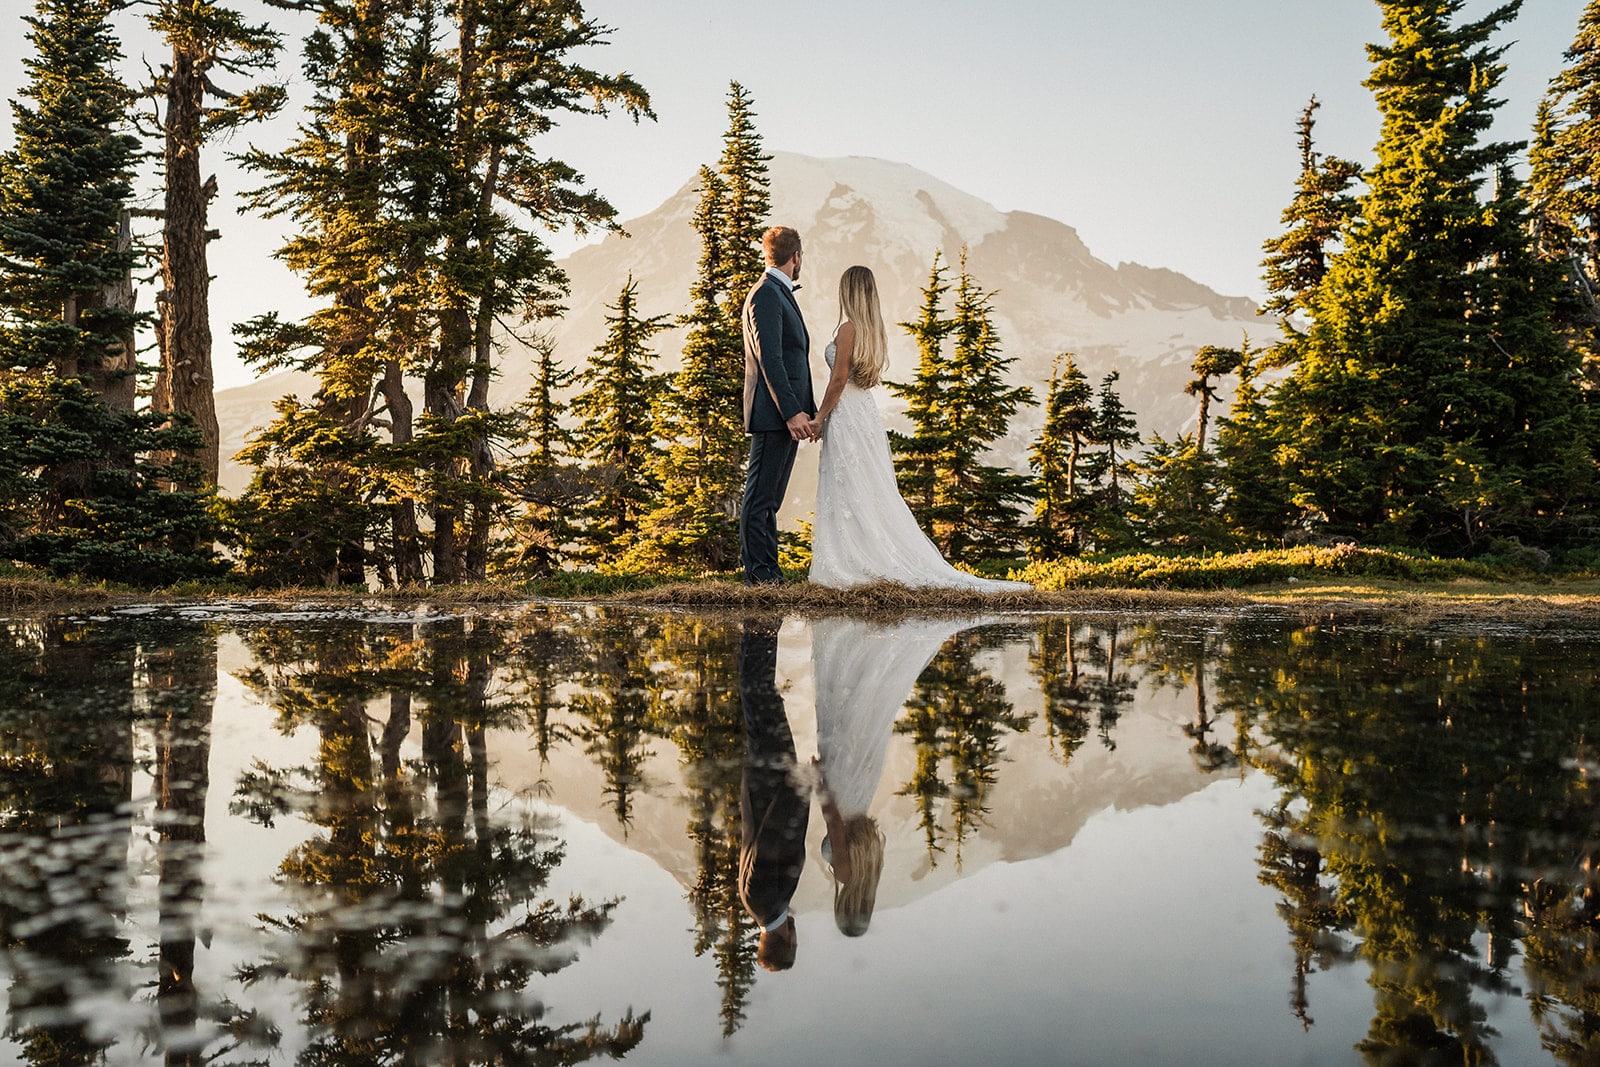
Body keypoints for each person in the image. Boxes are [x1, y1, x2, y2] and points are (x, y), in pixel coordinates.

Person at [809, 265, 1031, 591]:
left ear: (850, 292)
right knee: (866, 486)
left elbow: (839, 379)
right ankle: (863, 555)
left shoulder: (847, 329)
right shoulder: (873, 332)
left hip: (846, 416)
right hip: (865, 416)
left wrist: (819, 417)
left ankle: (853, 560)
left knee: (848, 485)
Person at [810, 615, 987, 935]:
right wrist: (820, 787)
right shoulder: (847, 876)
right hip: (841, 793)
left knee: (858, 719)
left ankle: (864, 643)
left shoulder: (871, 869)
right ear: (846, 908)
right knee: (842, 711)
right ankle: (852, 643)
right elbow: (834, 824)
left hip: (861, 791)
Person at [740, 225, 817, 586]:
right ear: (796, 256)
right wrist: (791, 412)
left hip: (787, 414)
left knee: (770, 499)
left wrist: (809, 410)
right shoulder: (766, 294)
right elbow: (770, 359)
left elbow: (792, 358)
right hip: (774, 415)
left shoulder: (777, 292)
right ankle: (759, 574)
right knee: (760, 498)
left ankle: (769, 572)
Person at [737, 615, 810, 970]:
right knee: (763, 698)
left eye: (795, 943)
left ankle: (760, 625)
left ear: (787, 942)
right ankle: (763, 629)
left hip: (772, 780)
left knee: (758, 695)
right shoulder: (768, 905)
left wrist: (799, 784)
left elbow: (770, 838)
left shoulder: (764, 900)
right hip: (773, 779)